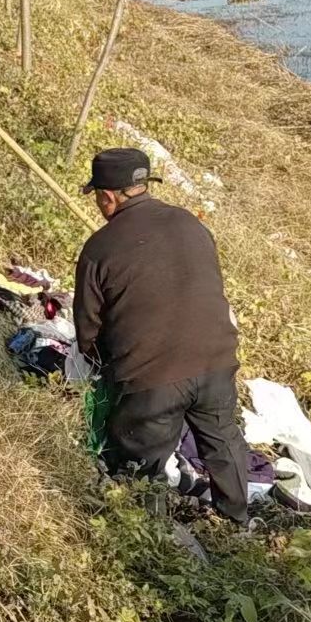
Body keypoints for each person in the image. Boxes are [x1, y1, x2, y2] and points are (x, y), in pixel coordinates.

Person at [72, 147, 253, 524]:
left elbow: (88, 329)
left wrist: (105, 371)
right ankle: (236, 522)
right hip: (216, 357)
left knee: (141, 462)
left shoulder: (99, 248)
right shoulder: (189, 223)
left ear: (107, 197)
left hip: (151, 374)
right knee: (222, 440)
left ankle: (152, 539)